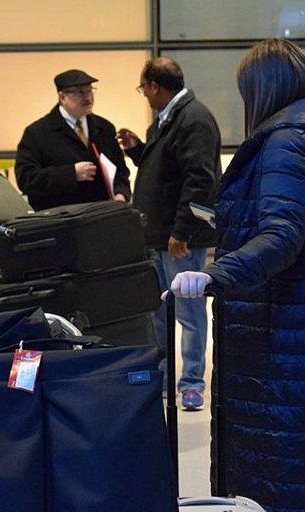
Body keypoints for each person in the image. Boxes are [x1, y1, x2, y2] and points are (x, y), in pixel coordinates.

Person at [168, 39, 305, 510]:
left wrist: (214, 274)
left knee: (280, 475)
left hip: (285, 341)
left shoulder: (286, 142)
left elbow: (283, 237)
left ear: (262, 91)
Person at [117, 57, 221, 411]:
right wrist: (136, 151)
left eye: (143, 88)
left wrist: (183, 231)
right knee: (157, 311)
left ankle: (192, 382)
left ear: (155, 87)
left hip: (178, 240)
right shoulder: (165, 121)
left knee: (189, 313)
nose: (143, 95)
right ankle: (160, 375)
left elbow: (200, 181)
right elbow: (167, 168)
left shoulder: (194, 119)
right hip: (158, 237)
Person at [15, 69, 131, 210]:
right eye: (81, 92)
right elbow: (26, 179)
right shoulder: (37, 133)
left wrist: (121, 194)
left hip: (100, 218)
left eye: (90, 91)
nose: (88, 97)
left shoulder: (104, 128)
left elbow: (120, 171)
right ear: (62, 97)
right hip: (59, 221)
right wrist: (71, 174)